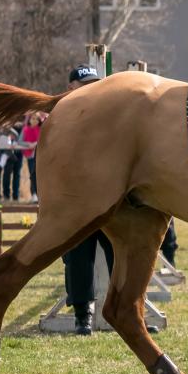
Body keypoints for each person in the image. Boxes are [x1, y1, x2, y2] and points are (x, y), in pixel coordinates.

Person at [60, 64, 111, 334]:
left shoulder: (107, 117)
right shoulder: (62, 119)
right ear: (71, 88)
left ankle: (132, 310)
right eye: (86, 85)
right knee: (78, 258)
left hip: (108, 197)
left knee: (123, 255)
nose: (93, 89)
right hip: (77, 200)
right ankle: (83, 316)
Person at [20, 112, 44, 203]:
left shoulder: (42, 129)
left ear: (39, 121)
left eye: (35, 119)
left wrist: (36, 143)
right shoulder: (25, 129)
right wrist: (28, 144)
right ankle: (34, 195)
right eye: (32, 118)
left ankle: (41, 195)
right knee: (33, 175)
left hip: (41, 156)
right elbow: (20, 141)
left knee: (40, 176)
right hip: (31, 156)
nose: (33, 120)